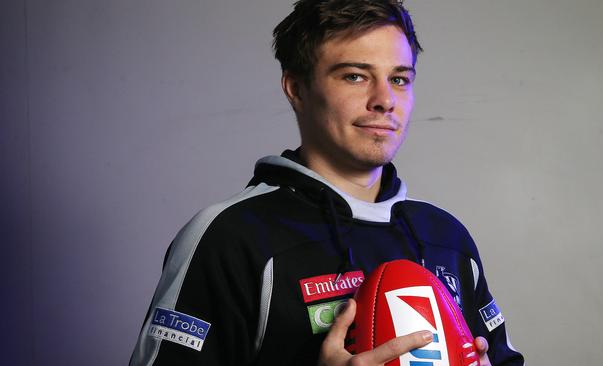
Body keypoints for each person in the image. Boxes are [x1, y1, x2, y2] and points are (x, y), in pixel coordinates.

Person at [130, 1, 524, 365]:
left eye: (400, 79)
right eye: (355, 76)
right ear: (296, 89)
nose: (384, 100)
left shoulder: (446, 237)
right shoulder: (230, 237)